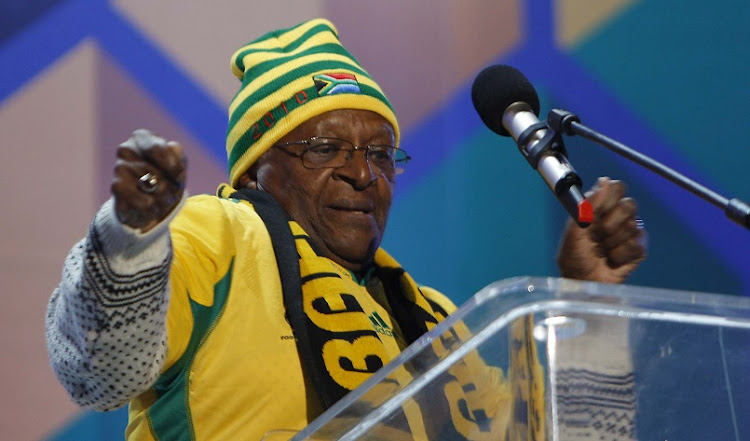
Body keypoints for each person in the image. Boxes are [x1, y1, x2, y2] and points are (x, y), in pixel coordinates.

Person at [45, 18, 646, 440]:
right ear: (256, 172)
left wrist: (589, 303)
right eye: (324, 148)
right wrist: (129, 242)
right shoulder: (220, 234)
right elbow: (98, 371)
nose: (363, 173)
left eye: (382, 154)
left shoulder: (430, 317)